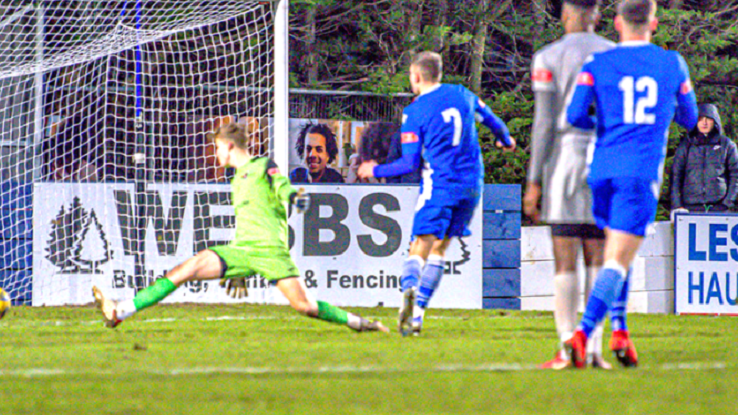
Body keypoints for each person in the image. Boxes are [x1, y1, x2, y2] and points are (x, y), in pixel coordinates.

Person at [92, 122, 387, 334]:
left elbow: (280, 184)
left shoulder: (262, 166)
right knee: (185, 269)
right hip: (241, 251)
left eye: (218, 148)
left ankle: (359, 323)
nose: (216, 153)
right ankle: (120, 311)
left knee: (305, 306)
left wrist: (293, 196)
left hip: (270, 252)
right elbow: (247, 221)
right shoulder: (235, 179)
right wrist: (238, 269)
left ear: (230, 146)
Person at [564, 0, 698, 368]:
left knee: (618, 251)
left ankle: (620, 332)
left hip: (602, 170)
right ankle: (582, 335)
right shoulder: (672, 64)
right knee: (618, 259)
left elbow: (575, 115)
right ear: (654, 23)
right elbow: (689, 119)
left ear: (618, 24)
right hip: (639, 173)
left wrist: (606, 126)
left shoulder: (597, 62)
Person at [357, 51, 516, 335]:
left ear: (416, 76)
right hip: (471, 185)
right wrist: (505, 139)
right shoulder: (462, 94)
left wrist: (374, 170)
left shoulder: (415, 111)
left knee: (420, 246)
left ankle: (408, 289)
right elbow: (492, 120)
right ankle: (417, 315)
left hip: (440, 185)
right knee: (441, 250)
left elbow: (409, 162)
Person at [523, 0, 616, 370]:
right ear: (596, 15)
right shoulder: (615, 55)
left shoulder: (549, 56)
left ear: (565, 14)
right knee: (598, 254)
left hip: (564, 157)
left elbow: (544, 123)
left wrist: (534, 180)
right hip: (606, 157)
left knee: (564, 255)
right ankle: (592, 346)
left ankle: (567, 346)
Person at [670, 103, 738, 214]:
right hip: (690, 208)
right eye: (700, 119)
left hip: (719, 208)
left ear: (715, 121)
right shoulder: (685, 146)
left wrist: (727, 203)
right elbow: (676, 175)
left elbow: (735, 175)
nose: (704, 123)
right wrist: (677, 205)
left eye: (708, 119)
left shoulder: (727, 145)